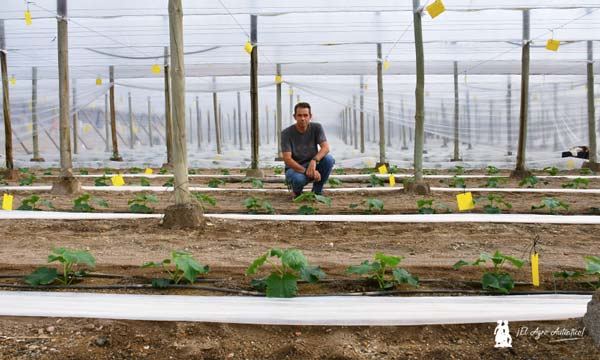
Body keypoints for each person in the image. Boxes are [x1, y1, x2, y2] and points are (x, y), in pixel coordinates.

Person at [281, 102, 335, 198]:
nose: (302, 118)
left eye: (305, 115)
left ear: (310, 116)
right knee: (298, 179)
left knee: (329, 159)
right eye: (299, 115)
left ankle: (317, 191)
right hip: (294, 168)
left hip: (311, 163)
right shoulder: (286, 133)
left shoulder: (316, 128)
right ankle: (297, 192)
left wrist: (314, 161)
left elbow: (326, 148)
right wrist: (306, 171)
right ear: (294, 116)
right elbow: (287, 159)